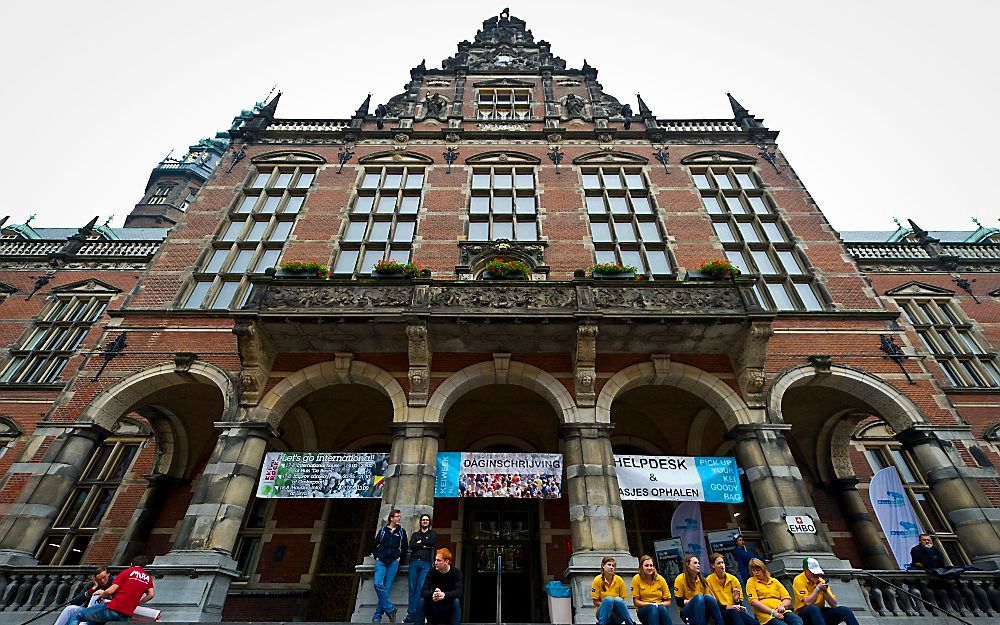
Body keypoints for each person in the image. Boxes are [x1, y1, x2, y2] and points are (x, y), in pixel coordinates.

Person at [67, 556, 154, 625]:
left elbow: (109, 591)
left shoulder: (127, 572)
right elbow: (151, 594)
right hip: (125, 615)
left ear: (131, 564)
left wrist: (101, 596)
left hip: (113, 608)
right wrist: (139, 603)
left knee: (76, 615)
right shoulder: (148, 578)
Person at [793, 558, 859, 625]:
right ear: (805, 570)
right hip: (804, 613)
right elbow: (808, 602)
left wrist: (825, 591)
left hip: (820, 611)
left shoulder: (821, 581)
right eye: (813, 573)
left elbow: (834, 604)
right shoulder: (799, 580)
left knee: (845, 610)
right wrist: (817, 589)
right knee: (813, 608)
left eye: (817, 573)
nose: (816, 575)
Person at [372, 509, 408, 623]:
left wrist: (399, 557)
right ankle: (390, 609)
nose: (399, 518)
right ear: (391, 518)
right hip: (381, 561)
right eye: (397, 516)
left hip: (393, 562)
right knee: (378, 584)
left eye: (399, 516)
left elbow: (405, 548)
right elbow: (375, 545)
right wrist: (376, 556)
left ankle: (377, 616)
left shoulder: (401, 531)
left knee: (386, 589)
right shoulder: (383, 531)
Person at [745, 559, 801, 625]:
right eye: (753, 571)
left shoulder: (774, 581)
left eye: (757, 570)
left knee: (797, 621)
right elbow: (754, 601)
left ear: (763, 569)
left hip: (781, 610)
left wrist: (782, 606)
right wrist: (772, 612)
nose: (755, 573)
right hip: (766, 615)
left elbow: (787, 598)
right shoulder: (751, 581)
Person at [705, 553, 756, 625]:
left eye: (722, 562)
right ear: (712, 565)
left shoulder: (733, 579)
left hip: (735, 610)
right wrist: (729, 607)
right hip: (720, 613)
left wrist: (736, 600)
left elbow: (739, 603)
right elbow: (713, 605)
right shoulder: (708, 581)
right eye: (718, 563)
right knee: (734, 612)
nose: (722, 565)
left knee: (755, 623)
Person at [672, 555, 724, 625]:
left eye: (699, 563)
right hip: (687, 612)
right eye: (695, 563)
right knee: (698, 597)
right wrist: (695, 601)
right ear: (688, 565)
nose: (698, 565)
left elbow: (708, 599)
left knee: (709, 597)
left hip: (702, 609)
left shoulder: (702, 580)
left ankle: (720, 623)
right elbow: (679, 602)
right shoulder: (680, 579)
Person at [404, 514, 438, 623]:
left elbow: (432, 542)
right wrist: (424, 545)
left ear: (429, 522)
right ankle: (413, 615)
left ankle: (412, 615)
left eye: (426, 520)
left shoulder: (432, 534)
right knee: (412, 589)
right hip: (414, 563)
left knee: (420, 589)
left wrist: (420, 543)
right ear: (420, 522)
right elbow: (411, 545)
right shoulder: (415, 534)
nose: (424, 521)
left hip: (426, 564)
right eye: (423, 520)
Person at [415, 548, 461, 625]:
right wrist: (434, 595)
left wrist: (444, 595)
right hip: (434, 607)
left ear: (446, 561)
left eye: (439, 560)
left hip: (448, 608)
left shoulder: (456, 572)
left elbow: (458, 592)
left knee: (456, 601)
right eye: (435, 560)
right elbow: (423, 591)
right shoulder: (431, 572)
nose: (435, 562)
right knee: (422, 601)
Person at [592, 556, 635, 625]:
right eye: (609, 565)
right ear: (603, 566)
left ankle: (629, 623)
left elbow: (622, 601)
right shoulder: (597, 580)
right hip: (603, 614)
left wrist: (614, 605)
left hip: (617, 615)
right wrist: (609, 605)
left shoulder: (619, 580)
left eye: (613, 566)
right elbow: (595, 601)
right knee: (609, 600)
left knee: (618, 600)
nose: (611, 567)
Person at [630, 554, 672, 625]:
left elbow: (668, 602)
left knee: (662, 608)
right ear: (641, 567)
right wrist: (651, 604)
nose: (649, 568)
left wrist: (658, 604)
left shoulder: (660, 579)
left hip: (659, 607)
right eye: (646, 566)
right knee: (652, 608)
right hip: (644, 610)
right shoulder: (636, 579)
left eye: (651, 565)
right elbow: (636, 602)